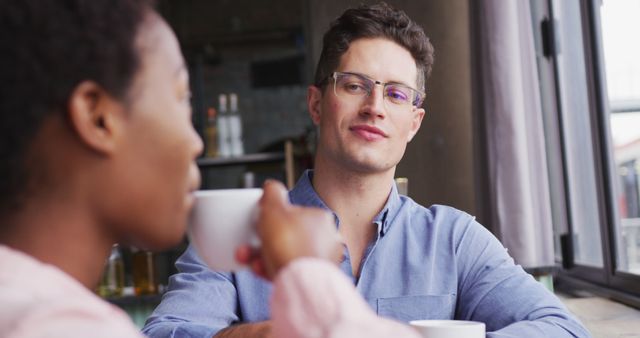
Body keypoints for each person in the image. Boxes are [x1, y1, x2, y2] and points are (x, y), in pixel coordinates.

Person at [143, 2, 591, 338]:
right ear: (317, 104)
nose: (375, 107)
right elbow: (167, 334)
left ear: (413, 123)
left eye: (396, 94)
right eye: (355, 85)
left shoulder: (454, 240)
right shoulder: (240, 233)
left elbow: (564, 330)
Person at [0, 1, 343, 337]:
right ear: (98, 117)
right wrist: (311, 277)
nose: (196, 142)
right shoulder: (64, 327)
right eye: (181, 98)